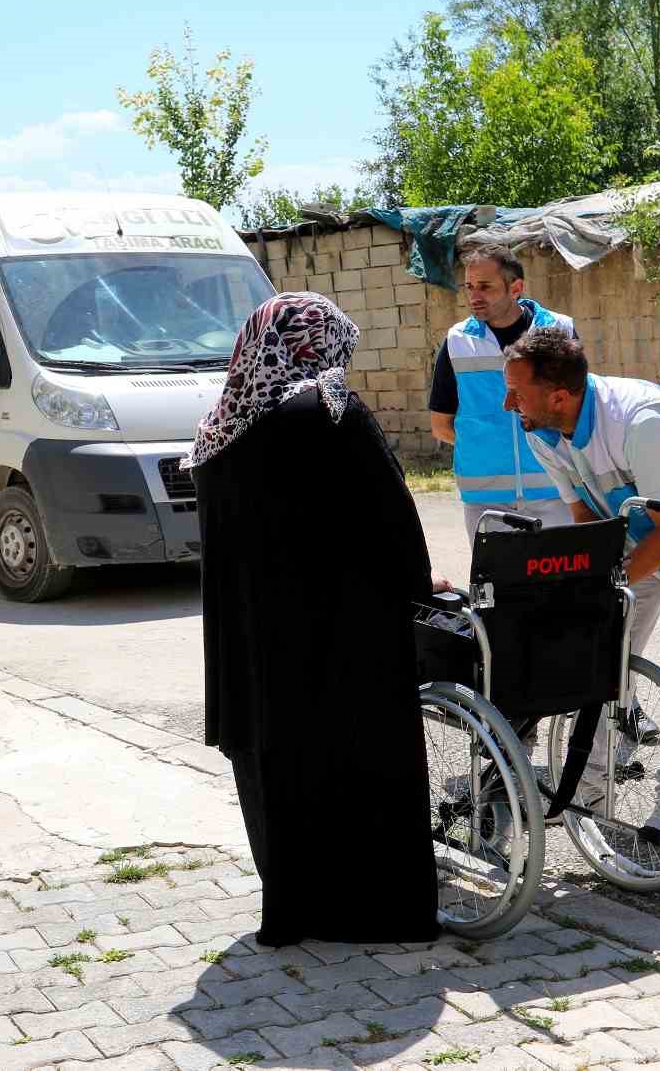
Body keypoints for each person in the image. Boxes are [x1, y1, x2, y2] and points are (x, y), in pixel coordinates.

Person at [187, 292, 446, 947]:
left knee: (278, 768)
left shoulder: (220, 426)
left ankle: (295, 908)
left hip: (254, 641)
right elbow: (391, 514)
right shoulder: (331, 409)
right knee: (360, 759)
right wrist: (418, 585)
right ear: (317, 345)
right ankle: (373, 911)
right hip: (344, 633)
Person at [502, 328, 660, 842]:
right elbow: (586, 515)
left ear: (559, 396)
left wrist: (605, 581)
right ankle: (591, 775)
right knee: (603, 653)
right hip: (635, 531)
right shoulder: (538, 426)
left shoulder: (640, 419)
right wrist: (587, 586)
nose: (507, 403)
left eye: (516, 391)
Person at [429, 246, 575, 539]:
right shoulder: (457, 342)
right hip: (486, 502)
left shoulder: (559, 330)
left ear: (515, 288)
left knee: (560, 584)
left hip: (556, 492)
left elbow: (577, 408)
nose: (475, 296)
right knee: (498, 586)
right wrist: (488, 447)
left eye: (485, 286)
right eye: (470, 287)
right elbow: (440, 425)